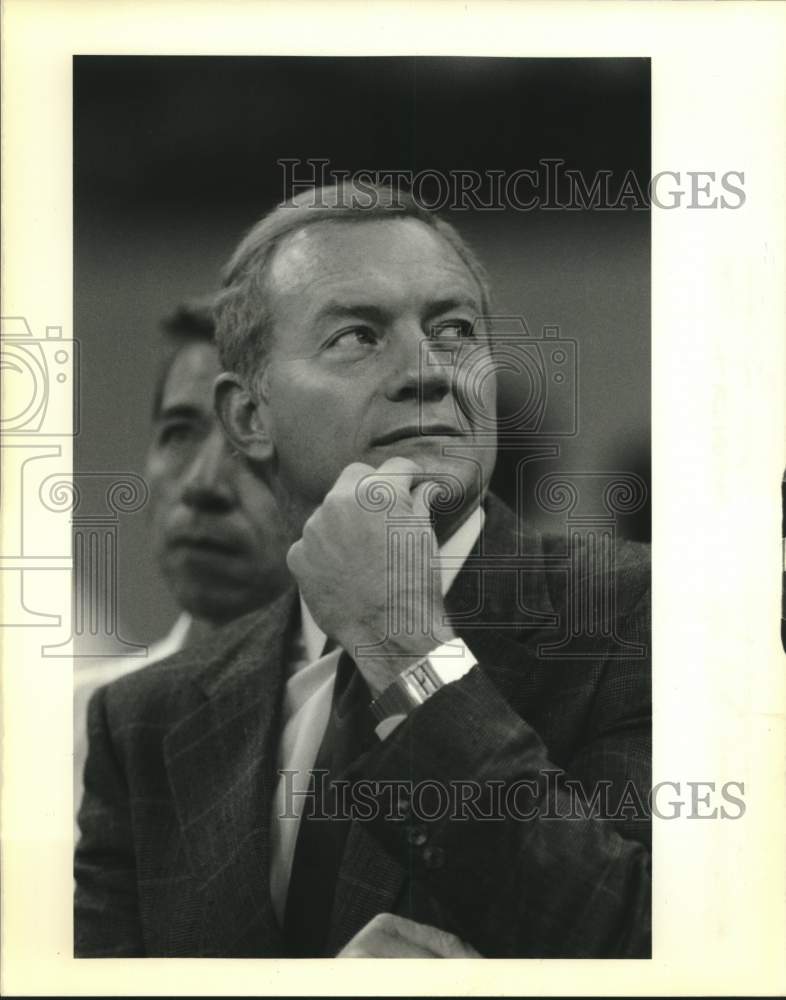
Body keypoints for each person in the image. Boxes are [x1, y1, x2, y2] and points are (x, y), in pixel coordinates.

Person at [75, 184, 651, 958]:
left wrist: (404, 648)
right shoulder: (143, 721)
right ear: (249, 416)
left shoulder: (645, 615)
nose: (429, 371)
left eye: (454, 330)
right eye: (357, 335)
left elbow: (643, 937)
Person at [73, 301, 291, 822]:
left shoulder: (385, 730)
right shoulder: (66, 729)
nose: (202, 483)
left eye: (253, 438)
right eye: (179, 432)